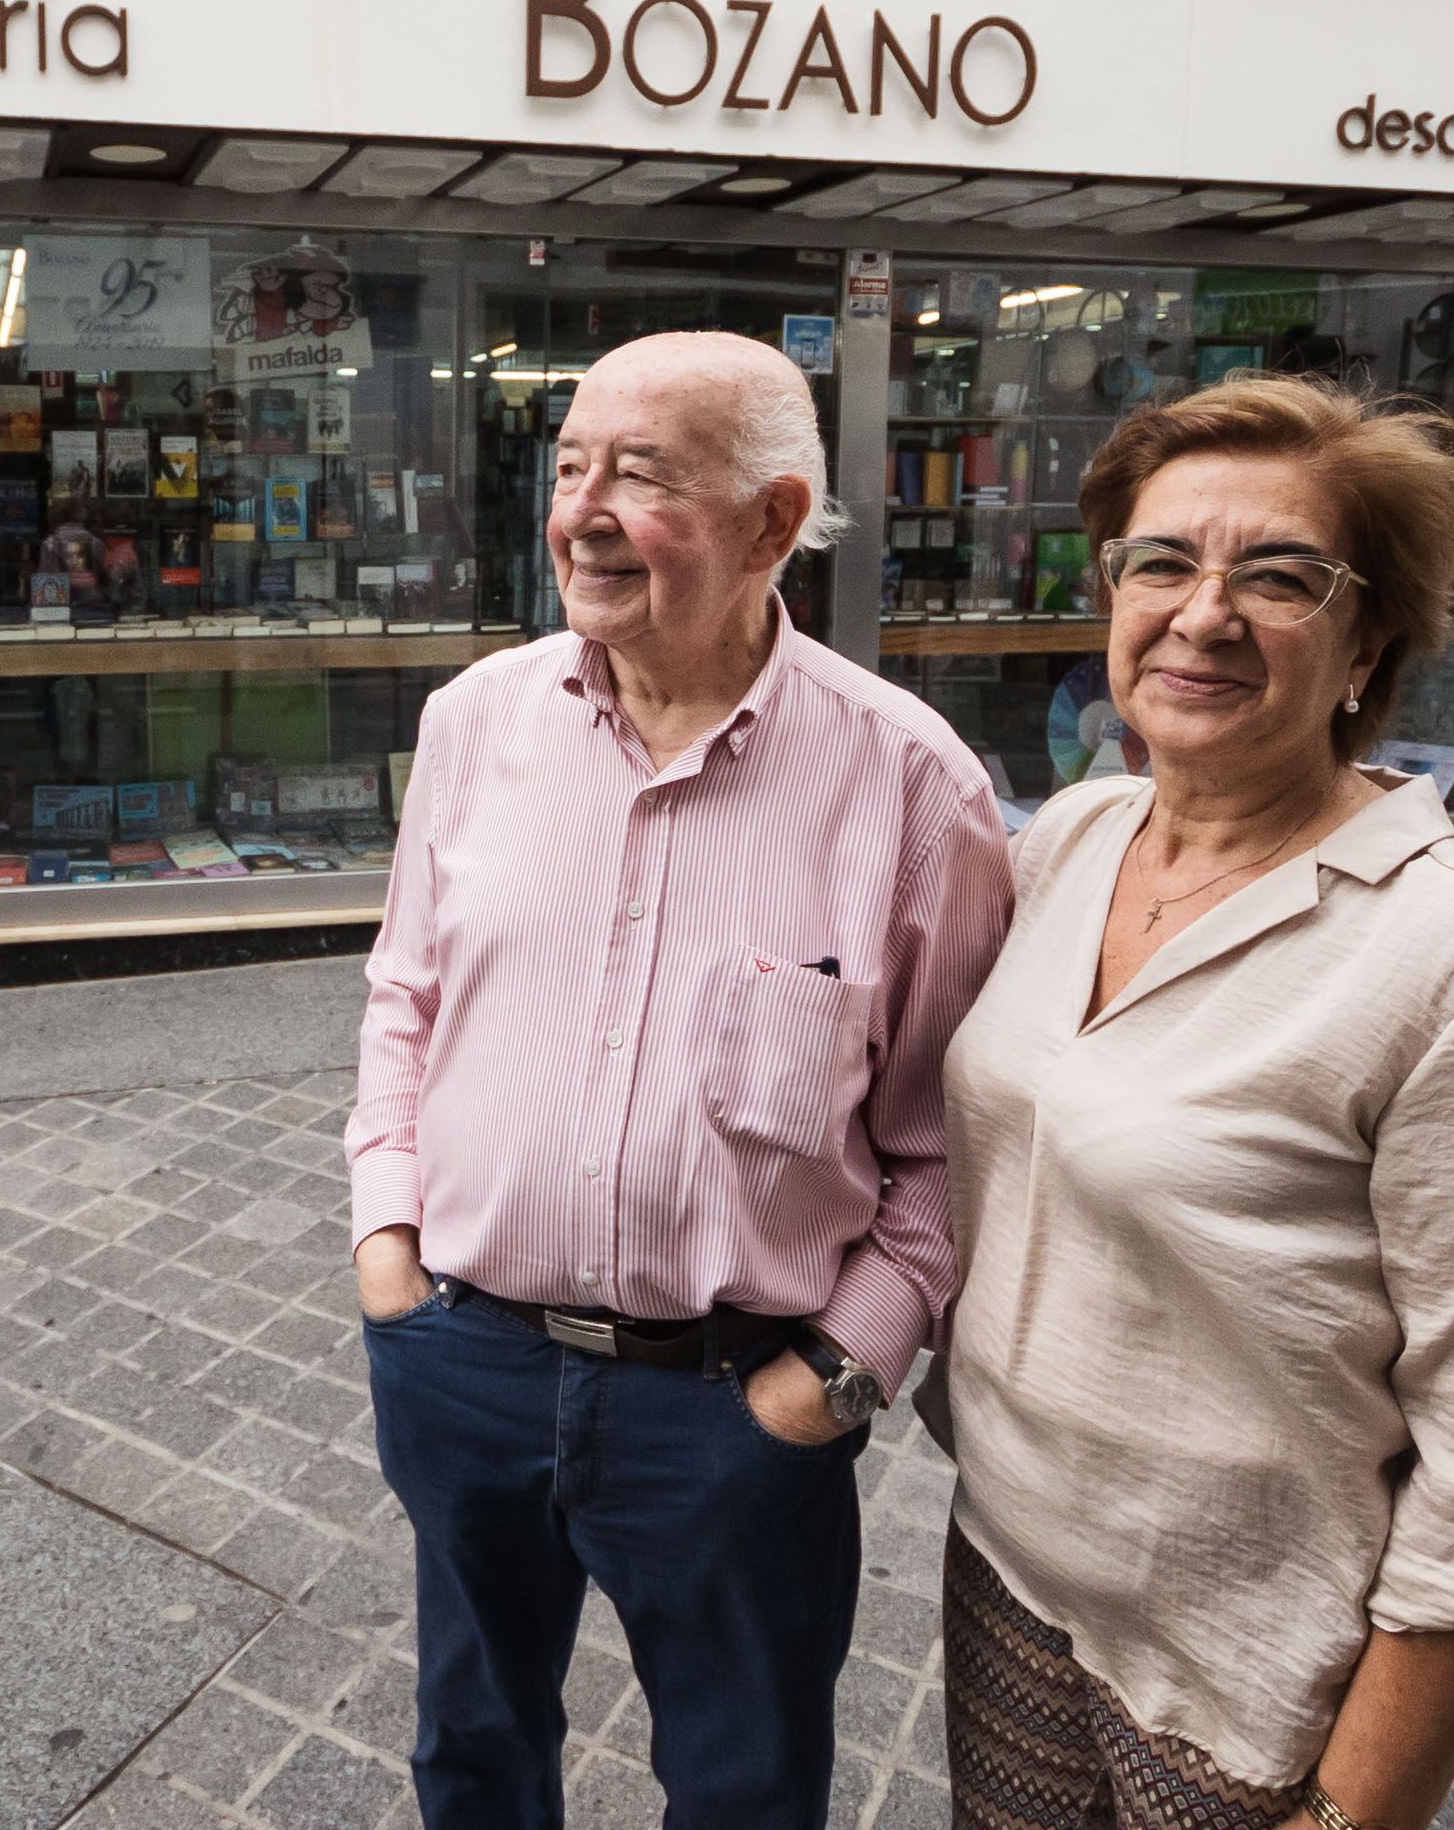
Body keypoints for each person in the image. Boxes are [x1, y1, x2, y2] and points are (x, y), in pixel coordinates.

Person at [933, 374, 1454, 1830]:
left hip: (1248, 1679)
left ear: (1371, 638)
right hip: (1006, 1568)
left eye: (1281, 578)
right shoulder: (1075, 835)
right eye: (1162, 562)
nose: (1204, 613)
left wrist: (1349, 1816)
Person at [347, 329, 1013, 1829]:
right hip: (468, 1362)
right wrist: (389, 1253)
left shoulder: (912, 783)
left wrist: (833, 1378)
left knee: (745, 1790)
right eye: (569, 464)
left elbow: (953, 1143)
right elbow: (406, 992)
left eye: (639, 476)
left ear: (773, 523)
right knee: (471, 1752)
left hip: (731, 1407)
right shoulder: (477, 724)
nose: (581, 509)